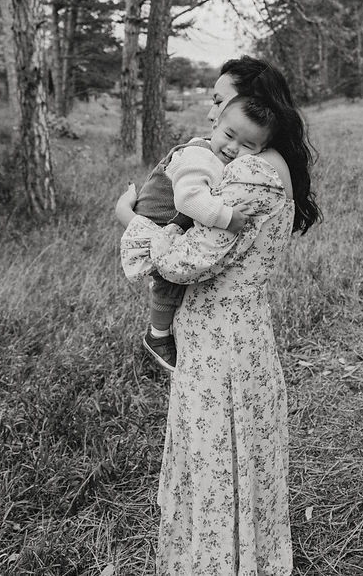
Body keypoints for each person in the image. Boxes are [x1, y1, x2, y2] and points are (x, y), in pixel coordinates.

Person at [121, 56, 321, 575]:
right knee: (231, 454)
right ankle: (238, 556)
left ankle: (220, 563)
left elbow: (184, 262)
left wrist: (132, 220)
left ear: (251, 105)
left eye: (219, 101)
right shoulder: (257, 161)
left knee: (218, 458)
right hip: (238, 329)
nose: (212, 116)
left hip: (223, 339)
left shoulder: (252, 172)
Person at [116, 94, 279, 372]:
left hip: (170, 224)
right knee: (168, 283)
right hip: (157, 223)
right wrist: (226, 217)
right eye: (229, 135)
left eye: (247, 146)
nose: (232, 148)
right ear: (215, 127)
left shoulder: (217, 156)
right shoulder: (200, 156)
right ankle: (157, 336)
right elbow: (188, 200)